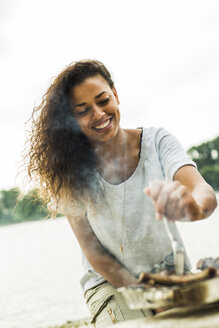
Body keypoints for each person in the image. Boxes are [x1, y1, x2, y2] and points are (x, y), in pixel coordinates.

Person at [26, 59, 217, 327]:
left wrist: (195, 208)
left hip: (172, 278)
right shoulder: (68, 173)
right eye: (82, 111)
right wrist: (148, 297)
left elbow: (201, 190)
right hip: (110, 284)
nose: (98, 114)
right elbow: (94, 252)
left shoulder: (157, 142)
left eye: (103, 100)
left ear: (115, 95)